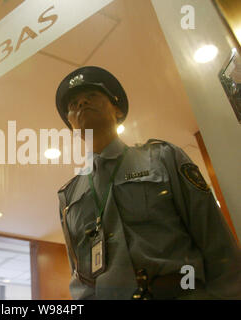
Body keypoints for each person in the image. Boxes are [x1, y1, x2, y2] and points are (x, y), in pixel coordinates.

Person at [55, 66, 241, 300]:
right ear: (72, 127)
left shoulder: (163, 158)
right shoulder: (69, 196)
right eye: (73, 104)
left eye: (92, 96)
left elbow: (214, 240)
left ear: (118, 108)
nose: (81, 104)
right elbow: (80, 276)